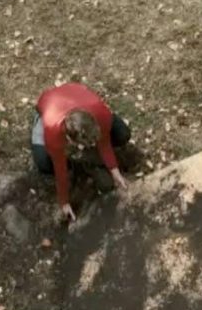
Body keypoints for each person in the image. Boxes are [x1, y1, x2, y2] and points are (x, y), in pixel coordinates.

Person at [31, 82, 130, 221]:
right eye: (84, 144)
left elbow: (105, 141)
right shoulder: (53, 131)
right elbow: (61, 171)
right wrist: (64, 202)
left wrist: (115, 171)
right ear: (70, 140)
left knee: (122, 134)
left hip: (77, 96)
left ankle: (87, 158)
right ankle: (79, 160)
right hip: (48, 106)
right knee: (44, 164)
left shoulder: (101, 113)